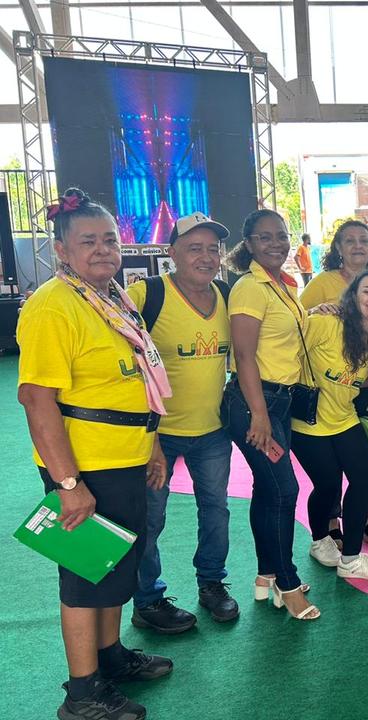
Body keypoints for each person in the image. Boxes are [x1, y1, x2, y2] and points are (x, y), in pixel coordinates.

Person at [17, 188, 172, 720]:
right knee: (86, 577)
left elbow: (137, 381)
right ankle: (82, 693)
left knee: (115, 567)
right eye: (88, 241)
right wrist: (68, 484)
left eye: (110, 239)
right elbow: (37, 400)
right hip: (86, 467)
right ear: (61, 249)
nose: (103, 249)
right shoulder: (52, 306)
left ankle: (110, 658)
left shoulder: (111, 297)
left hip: (125, 456)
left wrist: (151, 445)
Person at [126, 212, 238, 634]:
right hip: (157, 435)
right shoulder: (146, 294)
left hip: (212, 431)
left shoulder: (227, 295)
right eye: (194, 248)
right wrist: (149, 435)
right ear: (171, 252)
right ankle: (147, 600)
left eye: (212, 249)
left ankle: (212, 583)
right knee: (150, 519)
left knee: (216, 511)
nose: (206, 257)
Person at [222, 209, 318, 620]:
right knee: (284, 491)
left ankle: (266, 574)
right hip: (254, 403)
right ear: (249, 244)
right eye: (265, 237)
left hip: (280, 401)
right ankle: (287, 582)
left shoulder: (283, 285)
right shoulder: (249, 287)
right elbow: (244, 355)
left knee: (267, 489)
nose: (276, 243)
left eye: (281, 235)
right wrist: (258, 415)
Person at [291, 269, 368, 581]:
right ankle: (320, 540)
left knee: (364, 475)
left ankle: (350, 558)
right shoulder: (327, 324)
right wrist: (309, 312)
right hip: (308, 423)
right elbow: (286, 343)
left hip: (344, 418)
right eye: (367, 291)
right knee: (328, 484)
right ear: (353, 297)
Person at [300, 219, 368, 547]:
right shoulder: (323, 282)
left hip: (363, 385)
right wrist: (316, 310)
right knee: (330, 466)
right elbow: (300, 322)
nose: (357, 246)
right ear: (338, 247)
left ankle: (360, 517)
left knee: (364, 459)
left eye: (363, 240)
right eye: (349, 240)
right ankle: (331, 521)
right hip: (325, 387)